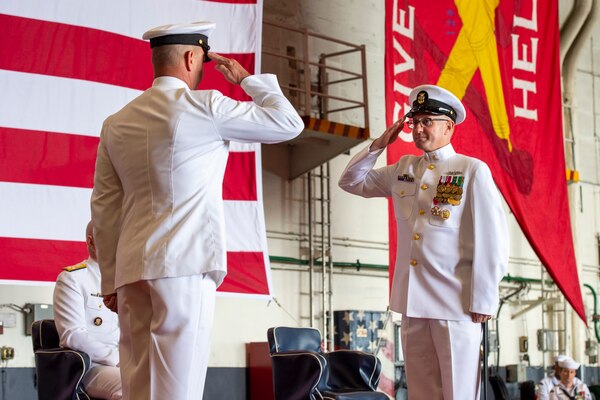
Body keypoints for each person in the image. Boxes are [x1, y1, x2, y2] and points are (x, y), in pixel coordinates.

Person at [91, 21, 303, 400]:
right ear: (192, 57)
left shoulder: (116, 123)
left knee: (137, 387)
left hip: (130, 271)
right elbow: (288, 123)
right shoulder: (205, 105)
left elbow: (105, 206)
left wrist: (109, 278)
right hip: (183, 266)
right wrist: (246, 80)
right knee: (179, 389)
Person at [338, 84, 508, 399]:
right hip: (413, 302)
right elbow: (351, 181)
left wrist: (484, 298)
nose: (418, 128)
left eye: (427, 121)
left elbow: (493, 237)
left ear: (448, 126)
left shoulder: (471, 170)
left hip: (456, 303)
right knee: (421, 391)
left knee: (457, 391)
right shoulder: (404, 169)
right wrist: (378, 145)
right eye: (415, 122)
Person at [53, 221, 121, 400]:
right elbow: (73, 335)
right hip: (92, 366)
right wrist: (117, 358)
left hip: (131, 362)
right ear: (91, 242)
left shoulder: (130, 282)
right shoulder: (73, 279)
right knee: (132, 386)